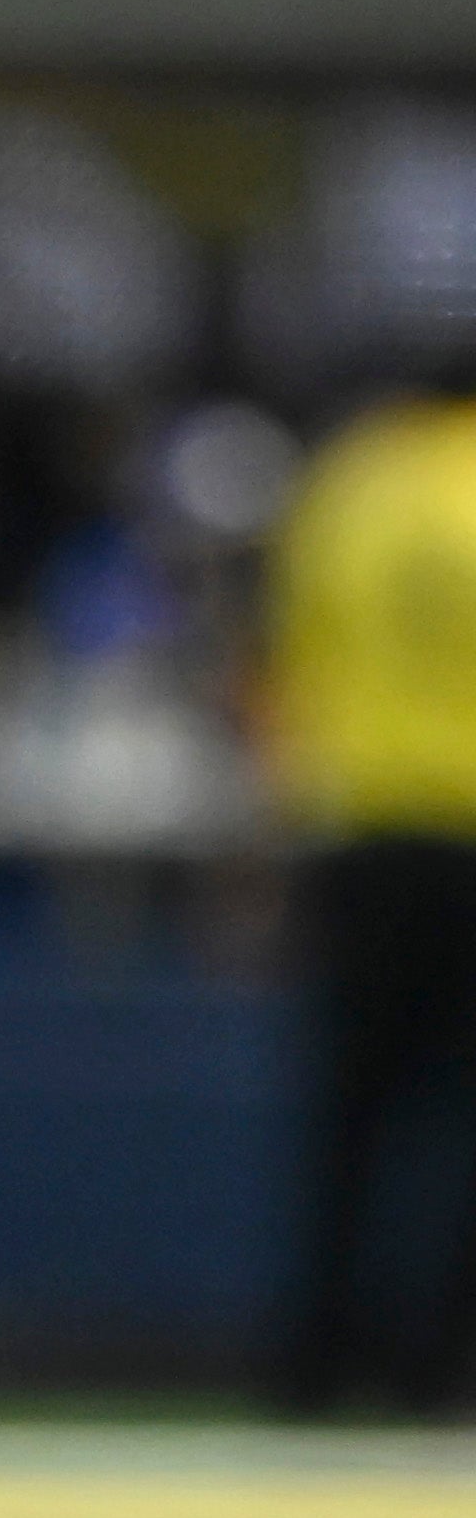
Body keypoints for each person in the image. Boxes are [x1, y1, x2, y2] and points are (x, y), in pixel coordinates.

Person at [264, 372, 476, 1413]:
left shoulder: (351, 484)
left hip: (365, 833)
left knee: (349, 1118)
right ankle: (434, 1372)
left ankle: (312, 1364)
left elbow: (290, 652)